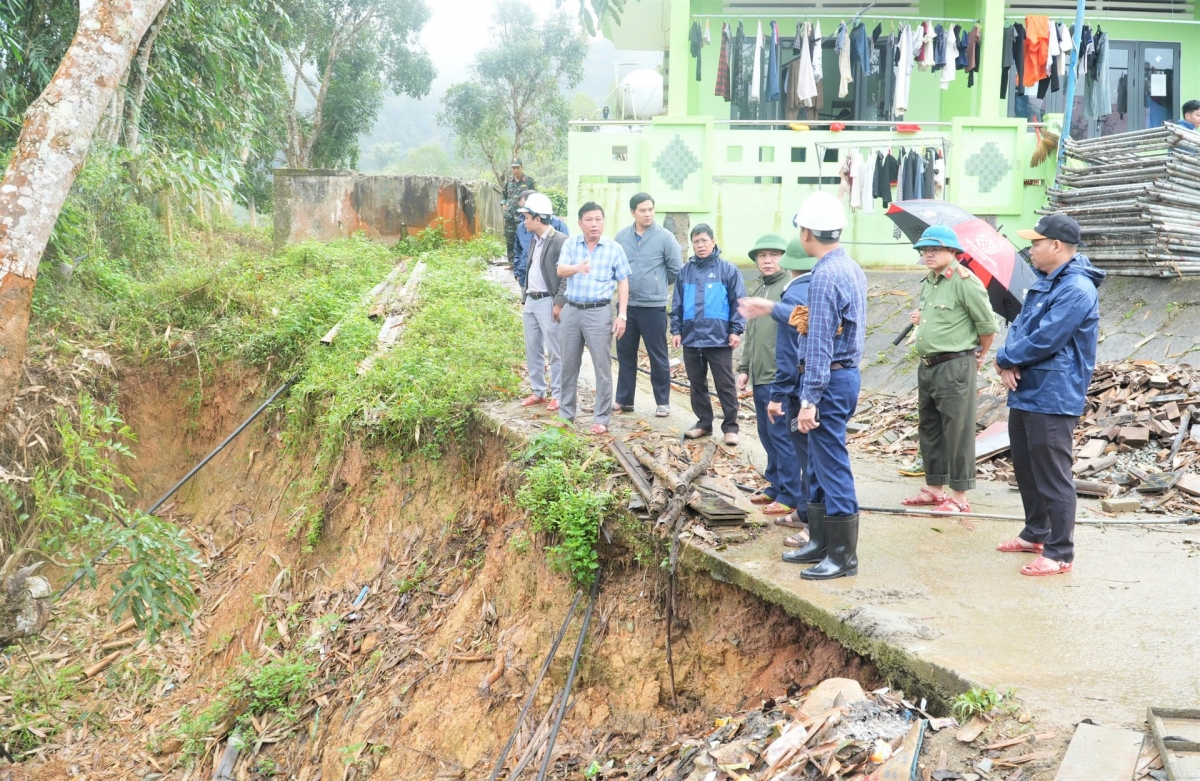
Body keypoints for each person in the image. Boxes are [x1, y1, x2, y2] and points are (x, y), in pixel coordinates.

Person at [995, 214, 1103, 576]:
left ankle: (1059, 552)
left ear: (1056, 246)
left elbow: (1048, 338)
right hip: (1026, 388)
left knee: (1053, 474)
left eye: (1036, 242)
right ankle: (1035, 532)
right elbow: (1021, 327)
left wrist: (1006, 358)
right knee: (1026, 467)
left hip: (1053, 394)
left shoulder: (1076, 288)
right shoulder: (1045, 283)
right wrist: (1007, 360)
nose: (1031, 249)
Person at [776, 191, 867, 580]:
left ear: (807, 232)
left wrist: (810, 398)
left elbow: (819, 342)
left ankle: (843, 555)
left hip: (829, 377)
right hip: (842, 374)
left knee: (830, 464)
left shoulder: (824, 277)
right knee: (816, 460)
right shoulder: (850, 267)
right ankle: (820, 541)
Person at [901, 226, 997, 514]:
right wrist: (921, 319)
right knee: (929, 426)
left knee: (958, 429)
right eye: (925, 250)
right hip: (929, 364)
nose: (928, 254)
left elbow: (987, 326)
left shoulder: (965, 281)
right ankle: (934, 488)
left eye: (935, 249)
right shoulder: (930, 281)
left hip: (955, 364)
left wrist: (979, 355)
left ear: (953, 252)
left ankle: (959, 496)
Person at [740, 238, 816, 545]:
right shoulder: (760, 289)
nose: (767, 260)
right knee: (767, 433)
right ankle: (776, 483)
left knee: (785, 437)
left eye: (773, 254)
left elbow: (791, 336)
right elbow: (752, 334)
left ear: (785, 259)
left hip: (781, 376)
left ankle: (790, 494)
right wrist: (744, 368)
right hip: (760, 373)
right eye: (762, 255)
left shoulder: (791, 290)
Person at [557, 202, 631, 435]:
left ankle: (601, 418)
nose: (594, 224)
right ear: (580, 223)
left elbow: (623, 281)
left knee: (602, 366)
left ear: (603, 222)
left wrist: (622, 315)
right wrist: (577, 267)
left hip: (599, 312)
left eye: (598, 219)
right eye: (589, 219)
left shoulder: (614, 248)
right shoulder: (570, 244)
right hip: (572, 309)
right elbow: (560, 270)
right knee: (568, 365)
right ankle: (566, 415)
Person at [670, 224, 746, 446]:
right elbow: (676, 305)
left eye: (704, 240)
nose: (700, 245)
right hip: (692, 337)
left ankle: (731, 427)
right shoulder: (685, 272)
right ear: (692, 245)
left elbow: (738, 303)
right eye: (696, 242)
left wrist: (735, 330)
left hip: (719, 337)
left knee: (724, 383)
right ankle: (704, 423)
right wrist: (676, 330)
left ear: (713, 242)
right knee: (696, 383)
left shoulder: (728, 270)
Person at [614, 193, 683, 418]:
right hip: (627, 307)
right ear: (633, 212)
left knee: (658, 355)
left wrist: (657, 286)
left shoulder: (665, 237)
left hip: (653, 307)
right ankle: (624, 400)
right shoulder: (621, 237)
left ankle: (662, 401)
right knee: (625, 353)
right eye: (643, 210)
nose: (648, 214)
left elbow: (676, 271)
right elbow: (615, 269)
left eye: (651, 209)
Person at [516, 193, 568, 412]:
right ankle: (538, 391)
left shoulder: (559, 241)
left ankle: (558, 394)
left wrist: (558, 303)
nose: (524, 221)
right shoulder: (533, 241)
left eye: (527, 217)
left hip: (548, 301)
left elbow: (566, 277)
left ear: (538, 218)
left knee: (555, 350)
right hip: (532, 299)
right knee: (533, 348)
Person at [513, 189, 569, 288]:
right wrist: (518, 273)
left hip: (550, 289)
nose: (524, 219)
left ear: (537, 218)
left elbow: (565, 264)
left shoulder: (559, 231)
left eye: (526, 216)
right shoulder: (523, 229)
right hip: (526, 281)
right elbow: (517, 251)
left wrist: (559, 300)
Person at [503, 159, 536, 265]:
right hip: (510, 216)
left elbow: (535, 197)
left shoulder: (529, 181)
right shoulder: (508, 181)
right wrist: (504, 205)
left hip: (523, 216)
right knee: (510, 239)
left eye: (517, 168)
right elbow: (504, 196)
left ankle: (524, 262)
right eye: (513, 168)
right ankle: (511, 263)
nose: (515, 170)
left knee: (524, 238)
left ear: (522, 167)